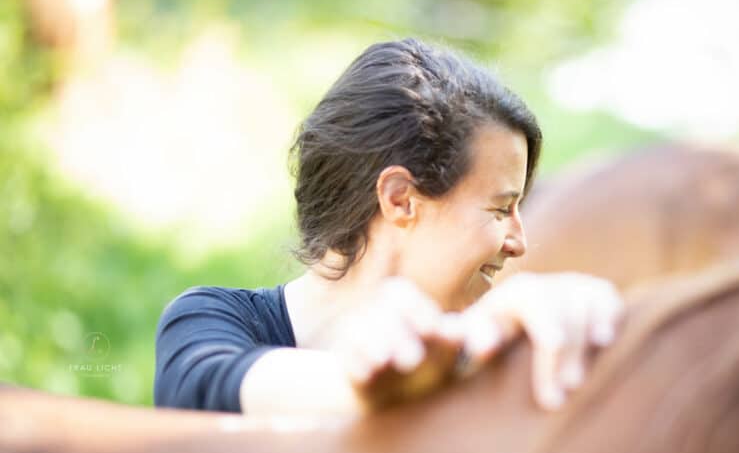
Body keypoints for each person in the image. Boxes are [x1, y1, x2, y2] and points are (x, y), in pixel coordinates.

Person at [154, 38, 623, 417]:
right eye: (501, 210)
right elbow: (211, 387)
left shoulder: (477, 354)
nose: (520, 242)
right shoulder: (207, 320)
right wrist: (403, 375)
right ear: (400, 199)